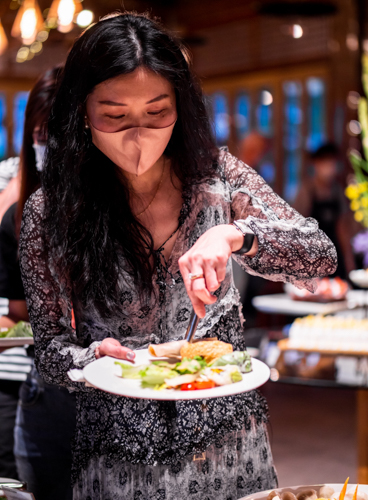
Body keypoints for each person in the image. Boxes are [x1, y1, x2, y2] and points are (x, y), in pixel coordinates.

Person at [19, 12, 337, 499]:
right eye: (115, 114)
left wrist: (237, 235)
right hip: (119, 463)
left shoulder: (218, 178)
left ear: (180, 106)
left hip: (229, 450)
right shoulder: (52, 209)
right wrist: (88, 357)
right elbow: (50, 350)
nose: (138, 135)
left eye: (157, 112)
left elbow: (319, 257)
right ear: (82, 110)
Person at [0, 66, 76, 500]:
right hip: (39, 381)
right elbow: (18, 307)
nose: (50, 145)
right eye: (42, 135)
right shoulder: (18, 206)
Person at [294, 143, 355, 279]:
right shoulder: (307, 190)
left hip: (335, 253)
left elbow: (343, 227)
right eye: (325, 162)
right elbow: (297, 226)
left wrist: (349, 261)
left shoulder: (337, 191)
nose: (329, 167)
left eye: (332, 162)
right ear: (315, 164)